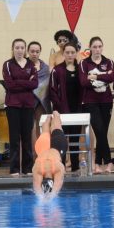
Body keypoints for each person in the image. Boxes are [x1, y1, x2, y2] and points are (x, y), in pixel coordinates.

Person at [79, 36, 114, 173]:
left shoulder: (109, 61)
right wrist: (103, 77)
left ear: (102, 47)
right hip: (90, 101)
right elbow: (83, 82)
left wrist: (95, 76)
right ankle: (109, 161)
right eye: (94, 47)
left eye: (100, 46)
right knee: (99, 130)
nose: (97, 49)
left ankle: (98, 164)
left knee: (103, 132)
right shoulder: (84, 63)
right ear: (90, 48)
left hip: (106, 101)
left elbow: (112, 77)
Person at [2, 38, 38, 176]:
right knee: (14, 137)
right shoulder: (8, 64)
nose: (19, 50)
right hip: (13, 105)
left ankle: (28, 168)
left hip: (28, 105)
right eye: (17, 47)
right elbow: (9, 85)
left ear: (25, 49)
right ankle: (15, 168)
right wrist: (26, 82)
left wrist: (19, 82)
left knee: (27, 137)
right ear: (13, 49)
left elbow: (34, 84)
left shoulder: (31, 64)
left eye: (22, 48)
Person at [49, 42, 82, 172]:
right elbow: (52, 91)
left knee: (75, 138)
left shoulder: (81, 69)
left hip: (77, 109)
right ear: (63, 54)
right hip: (62, 109)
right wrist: (59, 107)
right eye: (67, 52)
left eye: (72, 52)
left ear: (76, 54)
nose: (69, 55)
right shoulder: (57, 70)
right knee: (61, 139)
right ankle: (60, 166)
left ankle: (75, 166)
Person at [32, 111, 67, 197]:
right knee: (45, 130)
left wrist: (47, 198)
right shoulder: (37, 169)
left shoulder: (58, 169)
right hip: (42, 148)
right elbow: (37, 189)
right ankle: (49, 118)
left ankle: (55, 115)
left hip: (57, 147)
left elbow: (56, 188)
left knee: (57, 126)